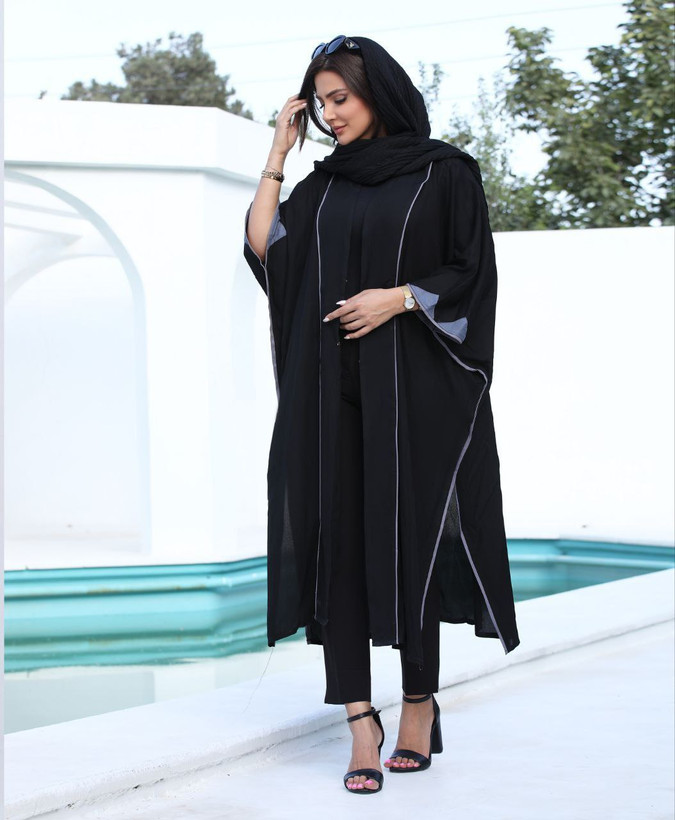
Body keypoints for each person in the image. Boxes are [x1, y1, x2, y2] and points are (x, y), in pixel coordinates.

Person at [244, 35, 520, 795]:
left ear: (379, 91)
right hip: (330, 394)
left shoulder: (443, 173)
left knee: (410, 541)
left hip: (413, 392)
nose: (330, 114)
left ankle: (419, 704)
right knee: (336, 543)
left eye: (341, 98)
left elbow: (471, 272)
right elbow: (268, 249)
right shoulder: (322, 185)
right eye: (319, 103)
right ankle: (360, 720)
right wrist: (278, 151)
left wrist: (398, 298)